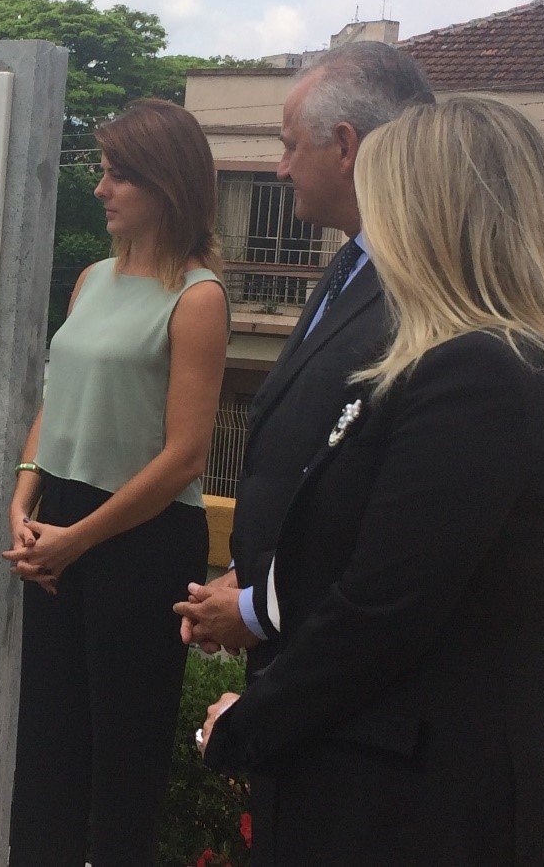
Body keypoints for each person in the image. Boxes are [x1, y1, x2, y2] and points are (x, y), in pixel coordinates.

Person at [199, 96, 544, 865]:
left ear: (432, 215)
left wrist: (250, 722)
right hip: (381, 782)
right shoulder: (464, 361)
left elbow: (383, 606)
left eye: (385, 203)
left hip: (407, 804)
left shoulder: (483, 374)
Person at [2, 98, 228, 866]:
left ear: (167, 184)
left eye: (118, 175)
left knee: (124, 758)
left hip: (141, 540)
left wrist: (76, 540)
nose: (101, 189)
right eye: (103, 172)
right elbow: (57, 399)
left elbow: (184, 457)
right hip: (59, 521)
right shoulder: (92, 279)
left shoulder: (197, 298)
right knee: (48, 746)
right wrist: (23, 499)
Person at [174, 42, 433, 678]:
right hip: (294, 646)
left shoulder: (422, 293)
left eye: (290, 146)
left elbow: (378, 520)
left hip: (343, 675)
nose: (281, 168)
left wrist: (259, 608)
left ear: (344, 147)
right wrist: (250, 573)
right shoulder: (351, 263)